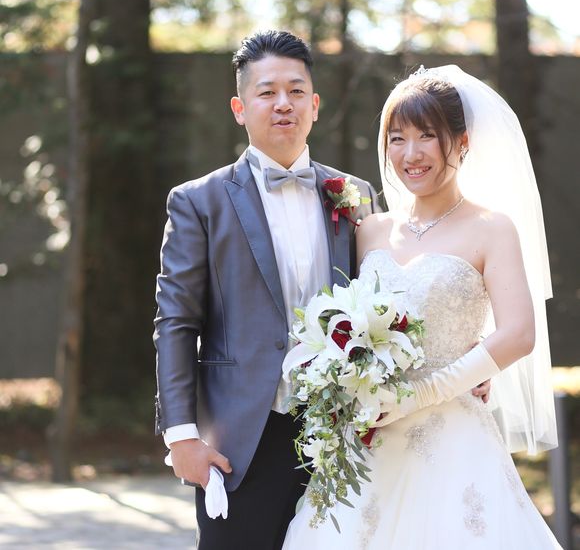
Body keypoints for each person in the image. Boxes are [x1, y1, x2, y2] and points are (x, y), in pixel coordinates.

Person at [282, 65, 562, 549]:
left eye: (426, 136)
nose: (410, 154)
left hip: (454, 439)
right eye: (397, 138)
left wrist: (423, 392)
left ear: (462, 142)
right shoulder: (370, 229)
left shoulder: (492, 228)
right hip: (369, 439)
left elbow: (518, 334)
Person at [153, 30, 382, 550]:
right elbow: (176, 322)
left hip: (341, 436)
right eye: (267, 92)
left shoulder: (357, 195)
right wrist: (181, 435)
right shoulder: (198, 201)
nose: (284, 104)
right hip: (241, 442)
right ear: (240, 108)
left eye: (297, 91)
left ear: (315, 105)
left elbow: (390, 298)